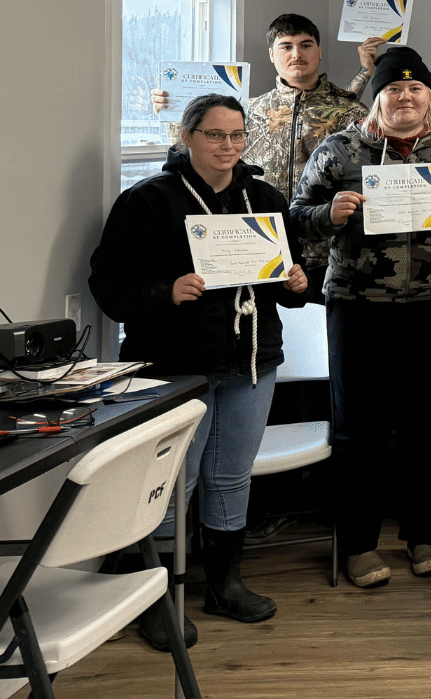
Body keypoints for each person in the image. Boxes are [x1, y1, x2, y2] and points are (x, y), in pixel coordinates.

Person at [89, 93, 309, 650]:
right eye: (216, 136)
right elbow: (108, 288)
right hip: (175, 366)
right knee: (174, 482)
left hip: (250, 361)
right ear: (187, 137)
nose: (229, 147)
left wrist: (294, 286)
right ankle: (157, 597)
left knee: (230, 476)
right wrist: (166, 292)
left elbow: (283, 285)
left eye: (238, 136)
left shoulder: (263, 198)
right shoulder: (147, 202)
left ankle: (224, 584)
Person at [290, 46, 431, 589]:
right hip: (358, 308)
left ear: (427, 95)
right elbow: (295, 217)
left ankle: (423, 535)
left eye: (414, 89)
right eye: (393, 89)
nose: (404, 98)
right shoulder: (339, 150)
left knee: (425, 425)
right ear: (378, 95)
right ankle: (359, 544)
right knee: (358, 428)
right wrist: (327, 212)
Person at [152, 13, 371, 297]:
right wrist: (169, 111)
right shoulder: (247, 113)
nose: (297, 54)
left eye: (306, 45)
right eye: (286, 46)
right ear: (271, 54)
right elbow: (197, 153)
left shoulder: (352, 114)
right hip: (257, 254)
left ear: (318, 52)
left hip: (331, 257)